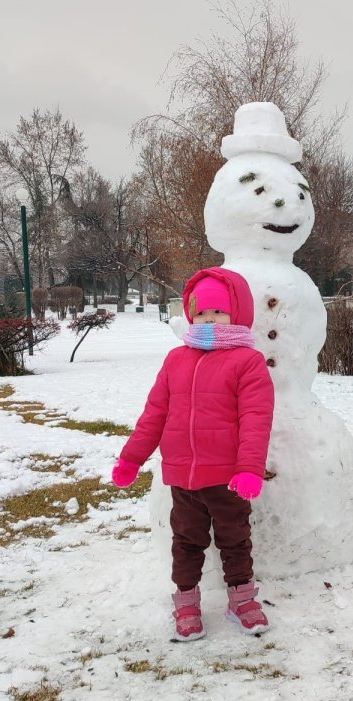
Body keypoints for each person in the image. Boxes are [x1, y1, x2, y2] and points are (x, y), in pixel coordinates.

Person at [111, 267, 275, 642]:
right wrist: (131, 458)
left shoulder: (247, 361)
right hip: (183, 477)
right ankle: (186, 602)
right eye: (201, 313)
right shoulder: (176, 359)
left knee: (235, 540)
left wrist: (249, 469)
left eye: (218, 312)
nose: (209, 319)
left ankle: (242, 600)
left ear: (237, 312)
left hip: (228, 477)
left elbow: (256, 419)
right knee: (186, 542)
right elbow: (154, 414)